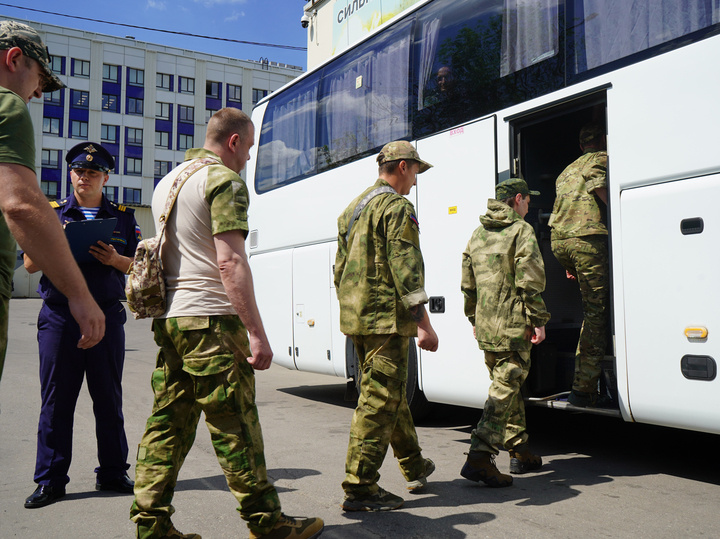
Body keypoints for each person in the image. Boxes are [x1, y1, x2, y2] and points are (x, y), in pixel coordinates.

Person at [130, 108, 323, 539]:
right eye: (250, 148)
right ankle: (267, 523)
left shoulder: (169, 181)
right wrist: (256, 333)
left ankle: (151, 524)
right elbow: (229, 260)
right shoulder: (223, 181)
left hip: (172, 321)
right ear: (234, 142)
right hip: (212, 320)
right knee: (235, 424)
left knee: (167, 423)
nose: (249, 158)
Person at [22, 143, 139, 508]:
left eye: (92, 172)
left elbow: (138, 267)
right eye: (77, 170)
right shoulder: (51, 212)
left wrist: (115, 258)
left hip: (106, 315)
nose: (83, 177)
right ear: (69, 173)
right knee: (56, 401)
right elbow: (27, 264)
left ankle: (113, 472)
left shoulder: (121, 216)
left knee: (108, 398)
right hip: (60, 318)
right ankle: (51, 480)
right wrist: (56, 246)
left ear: (106, 177)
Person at [334, 140, 439, 512]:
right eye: (414, 171)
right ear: (401, 167)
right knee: (379, 402)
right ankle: (360, 487)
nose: (415, 180)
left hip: (359, 319)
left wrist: (351, 312)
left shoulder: (353, 208)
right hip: (386, 322)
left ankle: (413, 465)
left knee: (388, 393)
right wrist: (424, 323)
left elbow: (338, 270)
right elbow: (406, 267)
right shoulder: (396, 207)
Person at [0, 20, 105, 389]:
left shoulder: (118, 217)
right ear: (14, 59)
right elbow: (20, 207)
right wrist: (80, 295)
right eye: (39, 80)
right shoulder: (7, 104)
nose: (39, 94)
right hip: (61, 318)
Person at [459, 178, 550, 488]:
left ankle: (520, 451)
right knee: (504, 390)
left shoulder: (478, 234)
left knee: (506, 388)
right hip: (513, 326)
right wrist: (537, 319)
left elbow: (468, 284)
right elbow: (529, 280)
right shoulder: (521, 231)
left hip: (486, 327)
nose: (529, 206)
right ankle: (479, 456)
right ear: (518, 199)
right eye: (527, 201)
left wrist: (474, 317)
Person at [549, 123, 609, 408]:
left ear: (581, 144)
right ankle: (584, 388)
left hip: (560, 243)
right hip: (585, 241)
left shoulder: (566, 170)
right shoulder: (600, 158)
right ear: (601, 139)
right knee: (596, 314)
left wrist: (568, 261)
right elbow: (599, 186)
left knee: (589, 307)